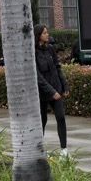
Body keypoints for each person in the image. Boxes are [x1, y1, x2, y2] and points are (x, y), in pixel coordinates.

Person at [34, 25, 69, 157]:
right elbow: (38, 76)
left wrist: (64, 85)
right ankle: (40, 150)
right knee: (42, 121)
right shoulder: (34, 52)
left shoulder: (50, 49)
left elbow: (57, 67)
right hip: (43, 93)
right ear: (39, 35)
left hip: (57, 90)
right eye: (45, 33)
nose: (47, 35)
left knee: (61, 118)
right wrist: (50, 91)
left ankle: (64, 150)